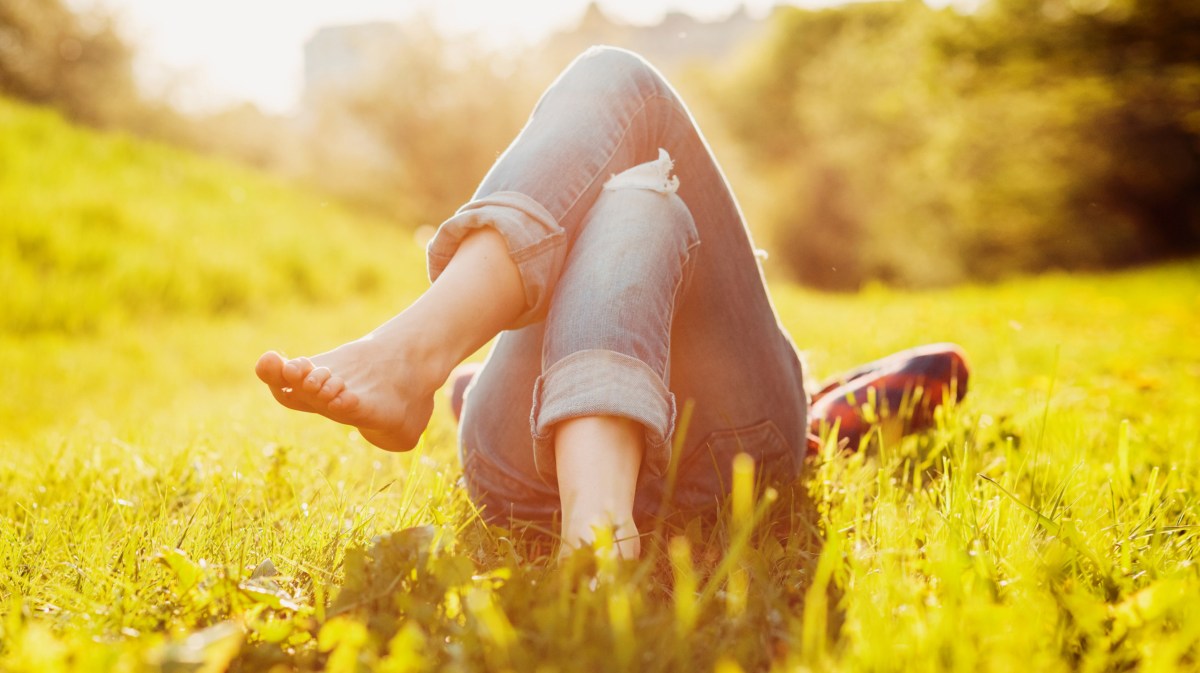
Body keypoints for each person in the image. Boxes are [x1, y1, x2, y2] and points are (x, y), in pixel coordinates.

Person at [255, 46, 968, 559]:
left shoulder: (819, 408)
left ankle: (427, 362)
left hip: (526, 473)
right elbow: (942, 366)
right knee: (639, 177)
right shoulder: (802, 402)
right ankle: (592, 523)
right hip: (709, 459)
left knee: (638, 197)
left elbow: (941, 366)